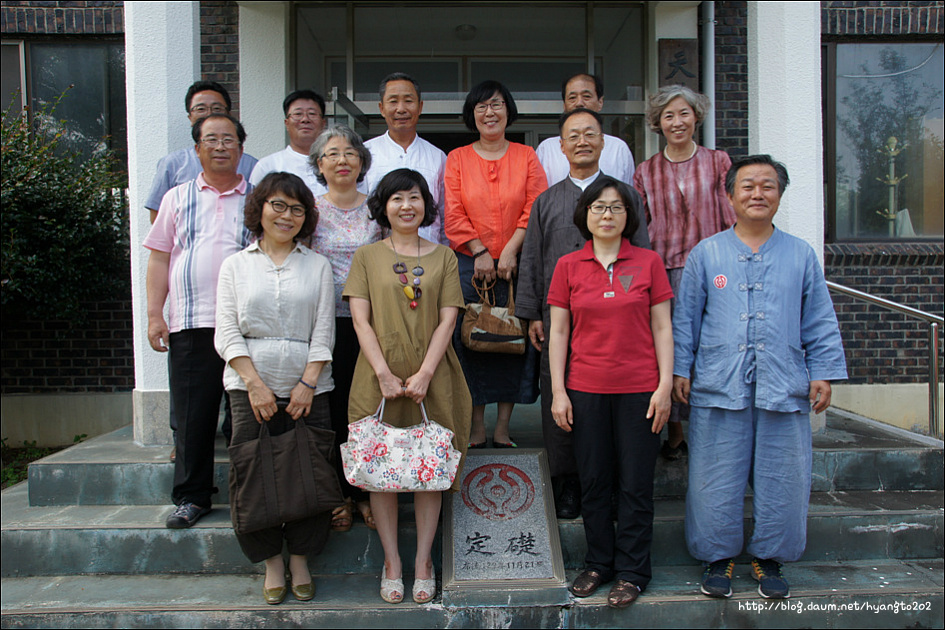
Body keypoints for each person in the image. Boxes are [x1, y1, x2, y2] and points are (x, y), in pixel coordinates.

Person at [673, 155, 847, 600]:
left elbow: (819, 318)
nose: (757, 194)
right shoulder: (706, 253)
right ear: (729, 195)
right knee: (714, 474)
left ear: (780, 195)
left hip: (784, 384)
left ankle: (770, 558)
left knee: (784, 475)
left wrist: (823, 370)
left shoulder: (800, 253)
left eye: (767, 186)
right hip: (717, 383)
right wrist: (679, 368)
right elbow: (685, 319)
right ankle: (717, 557)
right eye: (747, 186)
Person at [344, 168, 472, 605]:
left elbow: (448, 318)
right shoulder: (366, 256)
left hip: (432, 377)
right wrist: (382, 371)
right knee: (381, 473)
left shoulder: (444, 257)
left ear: (425, 205)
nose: (406, 206)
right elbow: (360, 319)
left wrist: (425, 374)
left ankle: (422, 562)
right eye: (397, 198)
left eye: (414, 197)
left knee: (427, 471)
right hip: (375, 377)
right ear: (384, 205)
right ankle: (392, 562)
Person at [548, 176, 673, 608]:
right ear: (585, 214)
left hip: (640, 390)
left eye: (616, 207)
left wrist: (664, 387)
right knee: (594, 482)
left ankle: (634, 571)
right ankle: (599, 562)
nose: (607, 214)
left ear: (629, 216)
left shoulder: (649, 262)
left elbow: (662, 326)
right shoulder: (568, 265)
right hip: (585, 389)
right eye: (599, 207)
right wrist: (558, 391)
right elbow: (559, 331)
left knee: (636, 484)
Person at [518, 107, 649, 519]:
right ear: (560, 146)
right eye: (572, 136)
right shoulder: (547, 201)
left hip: (616, 321)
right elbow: (533, 260)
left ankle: (608, 483)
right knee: (561, 401)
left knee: (612, 403)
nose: (581, 142)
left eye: (590, 134)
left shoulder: (625, 197)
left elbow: (643, 254)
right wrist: (532, 313)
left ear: (603, 142)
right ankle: (568, 484)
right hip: (559, 319)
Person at [214, 172, 335, 605]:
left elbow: (324, 331)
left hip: (311, 387)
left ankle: (301, 558)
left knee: (310, 469)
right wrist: (254, 384)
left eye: (297, 208)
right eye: (278, 205)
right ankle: (271, 563)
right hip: (249, 388)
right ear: (260, 208)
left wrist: (307, 383)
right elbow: (226, 331)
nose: (286, 216)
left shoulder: (316, 265)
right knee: (253, 473)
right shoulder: (236, 265)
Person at [144, 113, 252, 529]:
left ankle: (249, 493)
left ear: (241, 149)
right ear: (197, 149)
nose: (221, 146)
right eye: (212, 139)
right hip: (191, 320)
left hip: (245, 325)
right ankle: (192, 496)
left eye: (229, 139)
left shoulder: (259, 198)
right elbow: (159, 257)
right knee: (193, 416)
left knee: (243, 414)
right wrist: (156, 314)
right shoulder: (176, 197)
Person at [633, 84, 736, 461]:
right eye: (668, 115)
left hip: (713, 269)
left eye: (684, 114)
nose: (677, 122)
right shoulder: (646, 171)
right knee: (671, 350)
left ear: (696, 117)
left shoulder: (718, 161)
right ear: (658, 123)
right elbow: (640, 227)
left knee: (712, 344)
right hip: (664, 269)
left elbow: (731, 216)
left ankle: (711, 429)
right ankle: (674, 433)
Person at [444, 80, 547, 449]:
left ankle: (503, 426)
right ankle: (476, 426)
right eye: (482, 107)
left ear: (509, 111)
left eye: (497, 105)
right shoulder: (457, 158)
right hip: (470, 266)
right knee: (472, 341)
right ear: (472, 115)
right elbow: (453, 212)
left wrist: (511, 250)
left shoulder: (527, 156)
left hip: (516, 266)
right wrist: (480, 250)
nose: (490, 112)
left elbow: (535, 206)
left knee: (512, 343)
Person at [308, 125, 382, 532]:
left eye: (350, 153)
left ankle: (368, 492)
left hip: (370, 325)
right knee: (332, 412)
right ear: (319, 165)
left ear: (361, 162)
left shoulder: (378, 210)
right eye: (332, 154)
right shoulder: (310, 210)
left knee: (367, 409)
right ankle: (338, 494)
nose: (342, 160)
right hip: (323, 324)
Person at [145, 80, 257, 224]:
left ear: (228, 114)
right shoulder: (172, 164)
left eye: (217, 108)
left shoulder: (252, 165)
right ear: (190, 117)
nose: (209, 114)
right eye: (200, 109)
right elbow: (158, 217)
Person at [363, 73, 447, 244]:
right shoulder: (365, 153)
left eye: (408, 101)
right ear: (381, 108)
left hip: (429, 255)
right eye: (393, 101)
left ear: (420, 106)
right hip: (379, 255)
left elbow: (445, 214)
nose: (401, 109)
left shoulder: (437, 156)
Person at [535, 73, 635, 186]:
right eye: (572, 98)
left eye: (586, 96)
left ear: (600, 102)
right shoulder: (547, 149)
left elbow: (627, 196)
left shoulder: (618, 148)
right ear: (564, 105)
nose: (579, 103)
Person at [249, 89, 329, 196]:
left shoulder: (338, 164)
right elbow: (255, 208)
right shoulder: (267, 166)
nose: (305, 119)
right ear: (287, 123)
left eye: (312, 114)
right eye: (298, 114)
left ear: (323, 123)